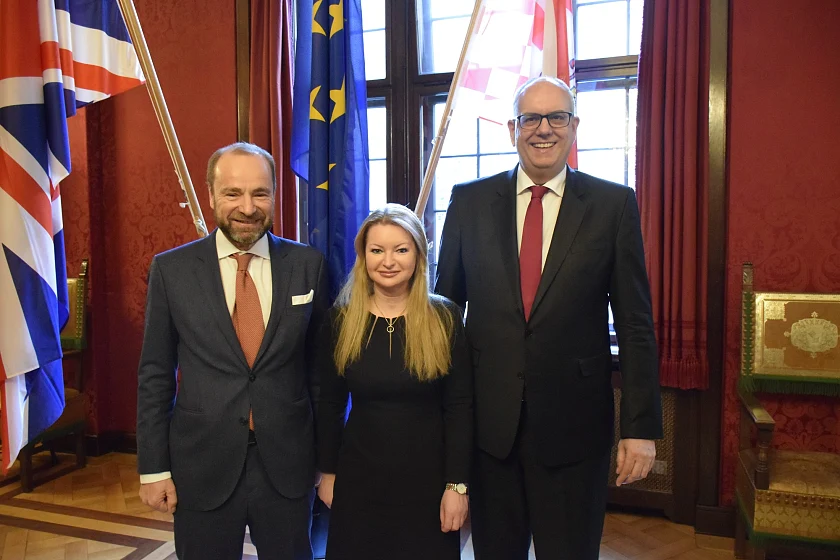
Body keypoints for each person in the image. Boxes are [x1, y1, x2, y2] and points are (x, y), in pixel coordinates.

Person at [435, 76, 663, 560]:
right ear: (512, 129)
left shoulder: (613, 205)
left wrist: (640, 429)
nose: (544, 129)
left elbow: (636, 323)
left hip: (574, 429)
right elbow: (445, 316)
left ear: (574, 126)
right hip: (489, 429)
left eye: (556, 117)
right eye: (530, 119)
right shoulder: (469, 201)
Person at [136, 142, 328, 560]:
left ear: (276, 195)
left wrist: (326, 460)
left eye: (260, 193)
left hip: (288, 462)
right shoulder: (172, 270)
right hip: (202, 463)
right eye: (233, 193)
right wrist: (153, 468)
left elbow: (321, 372)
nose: (248, 207)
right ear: (210, 195)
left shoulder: (308, 264)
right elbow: (155, 374)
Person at [316, 204, 473, 560]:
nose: (388, 261)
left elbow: (460, 407)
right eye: (377, 250)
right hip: (358, 479)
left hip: (429, 482)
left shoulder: (444, 316)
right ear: (363, 256)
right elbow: (330, 402)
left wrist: (457, 485)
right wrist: (326, 472)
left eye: (401, 249)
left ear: (418, 255)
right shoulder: (340, 320)